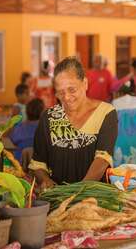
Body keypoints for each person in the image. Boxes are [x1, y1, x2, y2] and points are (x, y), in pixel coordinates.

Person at [29, 57, 118, 187]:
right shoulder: (49, 117)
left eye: (72, 90)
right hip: (57, 197)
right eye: (60, 92)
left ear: (85, 83)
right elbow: (38, 164)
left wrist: (77, 192)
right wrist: (45, 180)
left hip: (92, 198)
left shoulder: (105, 113)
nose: (66, 98)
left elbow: (102, 159)